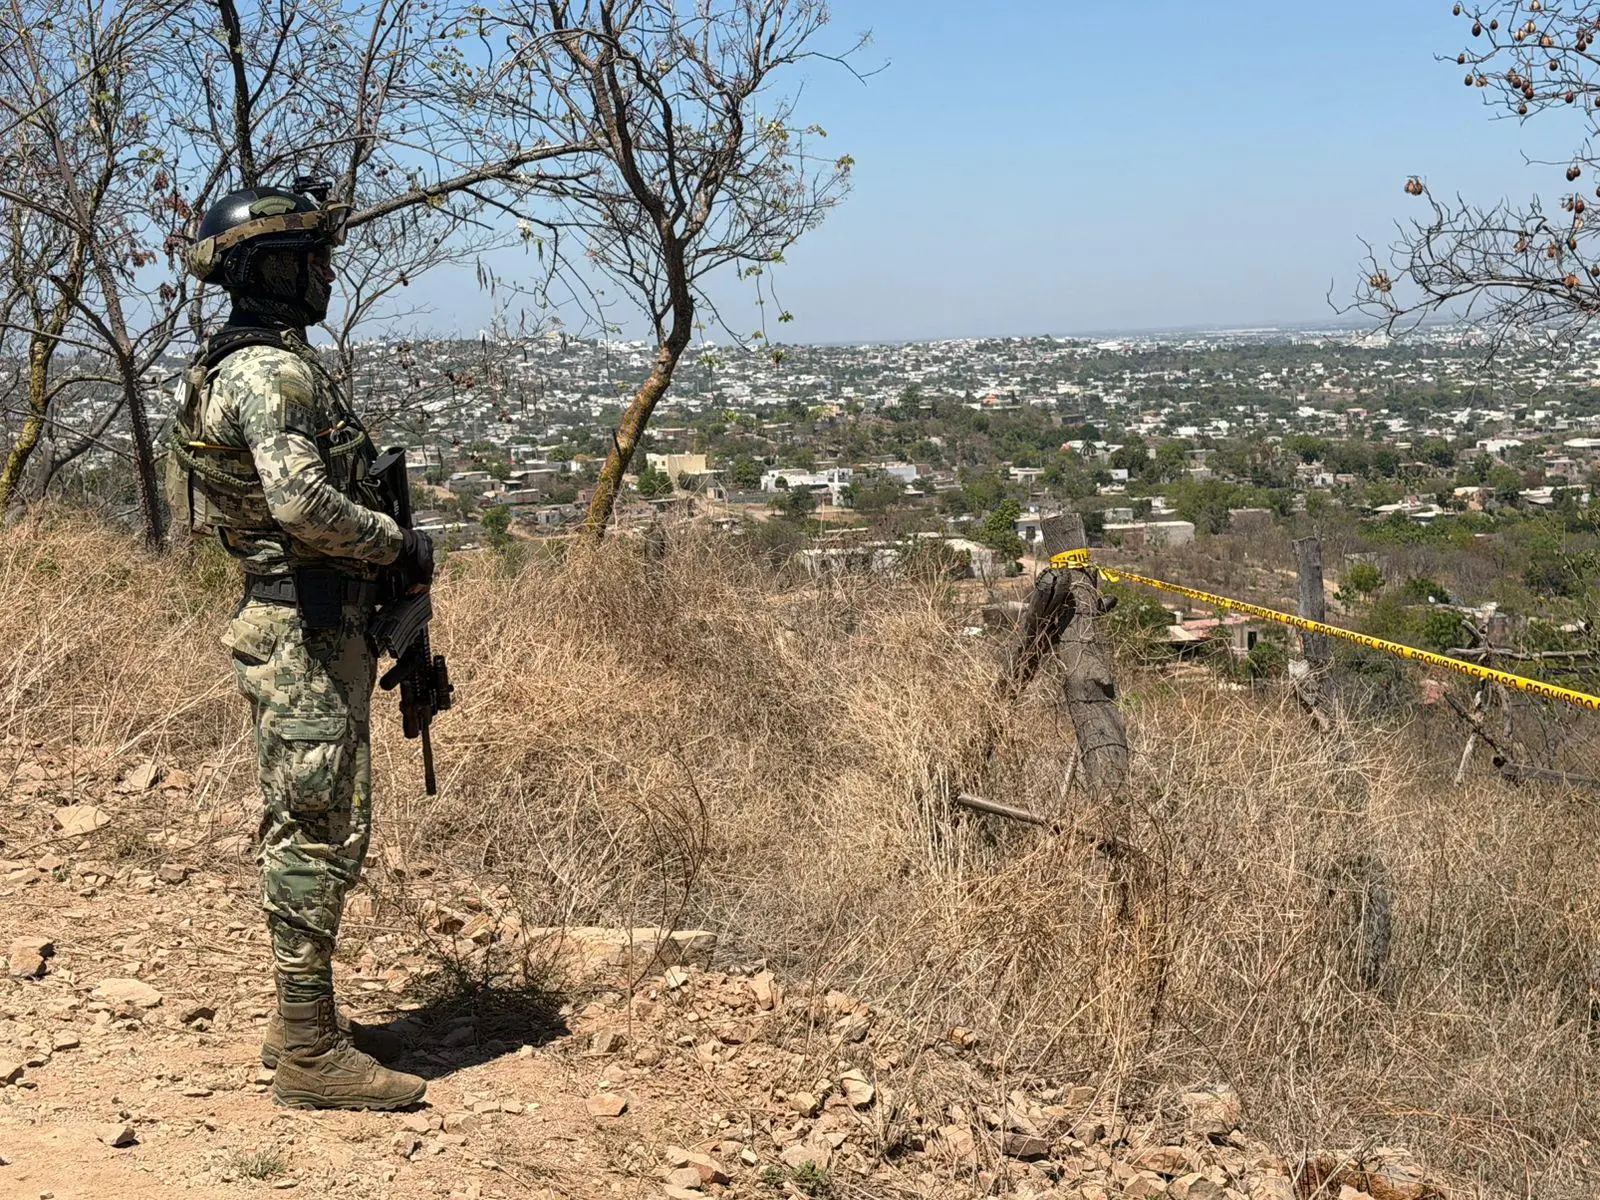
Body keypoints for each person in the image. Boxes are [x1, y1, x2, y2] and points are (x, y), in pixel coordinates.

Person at [168, 183, 433, 1110]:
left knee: (308, 819)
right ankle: (313, 1054)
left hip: (296, 622)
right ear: (269, 269)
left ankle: (299, 1024)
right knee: (318, 832)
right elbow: (302, 505)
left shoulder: (225, 366)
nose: (326, 271)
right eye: (311, 257)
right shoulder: (272, 376)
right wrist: (397, 543)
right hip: (306, 631)